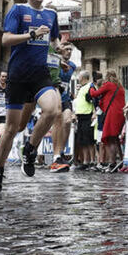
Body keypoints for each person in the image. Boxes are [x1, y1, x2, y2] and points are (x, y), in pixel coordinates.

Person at [0, 0, 62, 193]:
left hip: (40, 74)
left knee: (52, 110)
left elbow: (54, 40)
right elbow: (5, 40)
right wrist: (31, 33)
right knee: (13, 128)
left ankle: (30, 150)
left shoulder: (51, 15)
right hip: (18, 76)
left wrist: (58, 52)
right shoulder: (18, 10)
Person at [48, 42, 77, 172]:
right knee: (58, 119)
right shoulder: (54, 61)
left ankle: (61, 151)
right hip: (54, 93)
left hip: (65, 96)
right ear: (61, 50)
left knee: (67, 121)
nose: (69, 52)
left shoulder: (73, 66)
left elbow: (67, 81)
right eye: (67, 49)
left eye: (71, 50)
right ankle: (56, 155)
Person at [90, 71, 126, 171]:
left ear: (107, 76)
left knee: (110, 139)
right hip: (120, 114)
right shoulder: (120, 87)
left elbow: (94, 94)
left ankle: (112, 163)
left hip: (112, 114)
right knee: (115, 139)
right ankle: (122, 162)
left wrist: (92, 87)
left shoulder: (108, 85)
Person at [72, 71, 96, 170]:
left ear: (83, 78)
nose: (79, 79)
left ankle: (92, 161)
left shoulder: (90, 86)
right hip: (81, 116)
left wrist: (94, 112)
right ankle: (85, 161)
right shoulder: (81, 88)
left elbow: (94, 99)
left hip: (88, 115)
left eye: (79, 78)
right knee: (82, 141)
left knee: (89, 140)